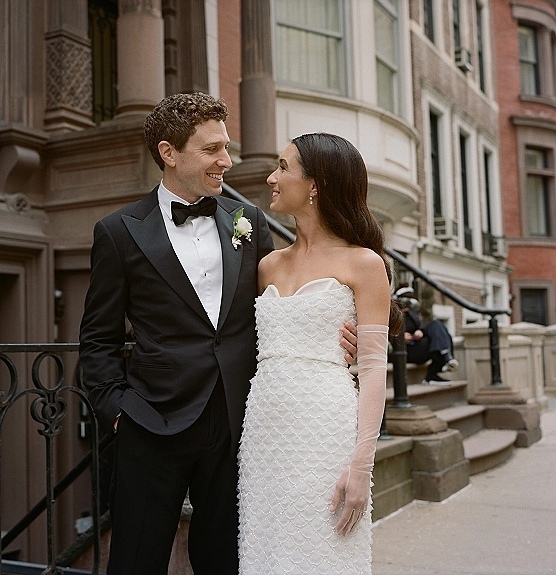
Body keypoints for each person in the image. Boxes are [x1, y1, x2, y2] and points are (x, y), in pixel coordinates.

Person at [79, 93, 358, 575]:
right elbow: (98, 338)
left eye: (226, 148)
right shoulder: (118, 232)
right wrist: (118, 412)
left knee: (228, 561)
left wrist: (338, 336)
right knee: (135, 560)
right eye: (212, 150)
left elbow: (279, 308)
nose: (226, 161)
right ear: (169, 153)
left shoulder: (247, 222)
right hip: (151, 424)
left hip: (238, 425)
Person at [237, 133, 402, 574]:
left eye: (283, 167)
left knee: (322, 554)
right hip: (264, 433)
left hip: (324, 428)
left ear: (316, 185)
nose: (271, 177)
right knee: (267, 550)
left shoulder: (364, 264)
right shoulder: (267, 264)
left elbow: (371, 371)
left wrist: (361, 465)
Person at [396, 287, 459, 385]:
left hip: (417, 345)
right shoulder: (391, 315)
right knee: (438, 340)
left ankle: (445, 359)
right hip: (405, 351)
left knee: (436, 324)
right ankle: (445, 359)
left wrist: (419, 331)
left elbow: (422, 328)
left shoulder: (412, 315)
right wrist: (399, 337)